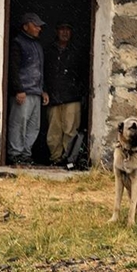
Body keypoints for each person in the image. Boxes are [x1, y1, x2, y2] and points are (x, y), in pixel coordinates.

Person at [7, 12, 49, 165]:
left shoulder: (37, 45)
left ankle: (26, 154)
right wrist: (18, 89)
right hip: (23, 92)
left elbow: (40, 70)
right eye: (35, 25)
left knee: (33, 126)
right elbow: (13, 68)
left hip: (35, 92)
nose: (39, 28)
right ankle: (15, 154)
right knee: (19, 123)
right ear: (25, 26)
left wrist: (43, 90)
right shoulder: (18, 43)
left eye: (39, 26)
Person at [44, 22, 85, 165]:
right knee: (53, 131)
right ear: (56, 31)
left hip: (72, 96)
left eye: (68, 29)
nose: (65, 32)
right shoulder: (48, 51)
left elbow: (84, 74)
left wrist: (82, 92)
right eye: (62, 29)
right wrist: (44, 90)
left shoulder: (77, 51)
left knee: (70, 130)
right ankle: (56, 159)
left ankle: (69, 160)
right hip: (53, 96)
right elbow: (42, 72)